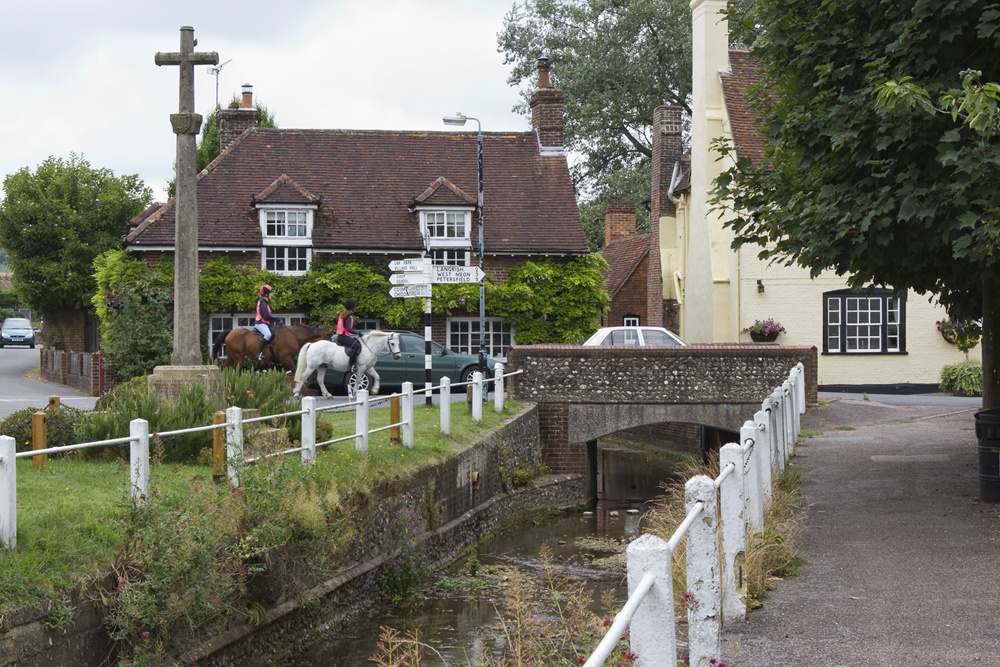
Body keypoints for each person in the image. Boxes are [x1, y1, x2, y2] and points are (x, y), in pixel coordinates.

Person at [255, 284, 280, 362]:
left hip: (265, 323)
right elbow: (266, 316)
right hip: (260, 323)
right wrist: (277, 319)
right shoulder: (263, 304)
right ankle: (259, 353)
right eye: (270, 293)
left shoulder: (265, 303)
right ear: (266, 294)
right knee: (268, 334)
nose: (271, 295)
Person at [336, 297, 362, 373]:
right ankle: (351, 365)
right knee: (357, 346)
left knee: (356, 342)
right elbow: (349, 329)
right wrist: (358, 332)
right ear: (353, 307)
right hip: (343, 337)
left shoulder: (343, 314)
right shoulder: (349, 317)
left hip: (341, 335)